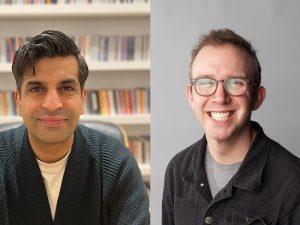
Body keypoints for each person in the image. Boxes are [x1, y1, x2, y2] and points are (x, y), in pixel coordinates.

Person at [0, 30, 149, 225]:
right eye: (36, 89)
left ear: (82, 100)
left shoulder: (117, 163)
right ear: (18, 101)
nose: (52, 104)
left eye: (66, 88)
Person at [162, 28, 300, 225]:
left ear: (257, 98)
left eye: (235, 83)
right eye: (206, 82)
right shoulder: (177, 169)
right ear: (191, 96)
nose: (220, 97)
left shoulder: (293, 183)